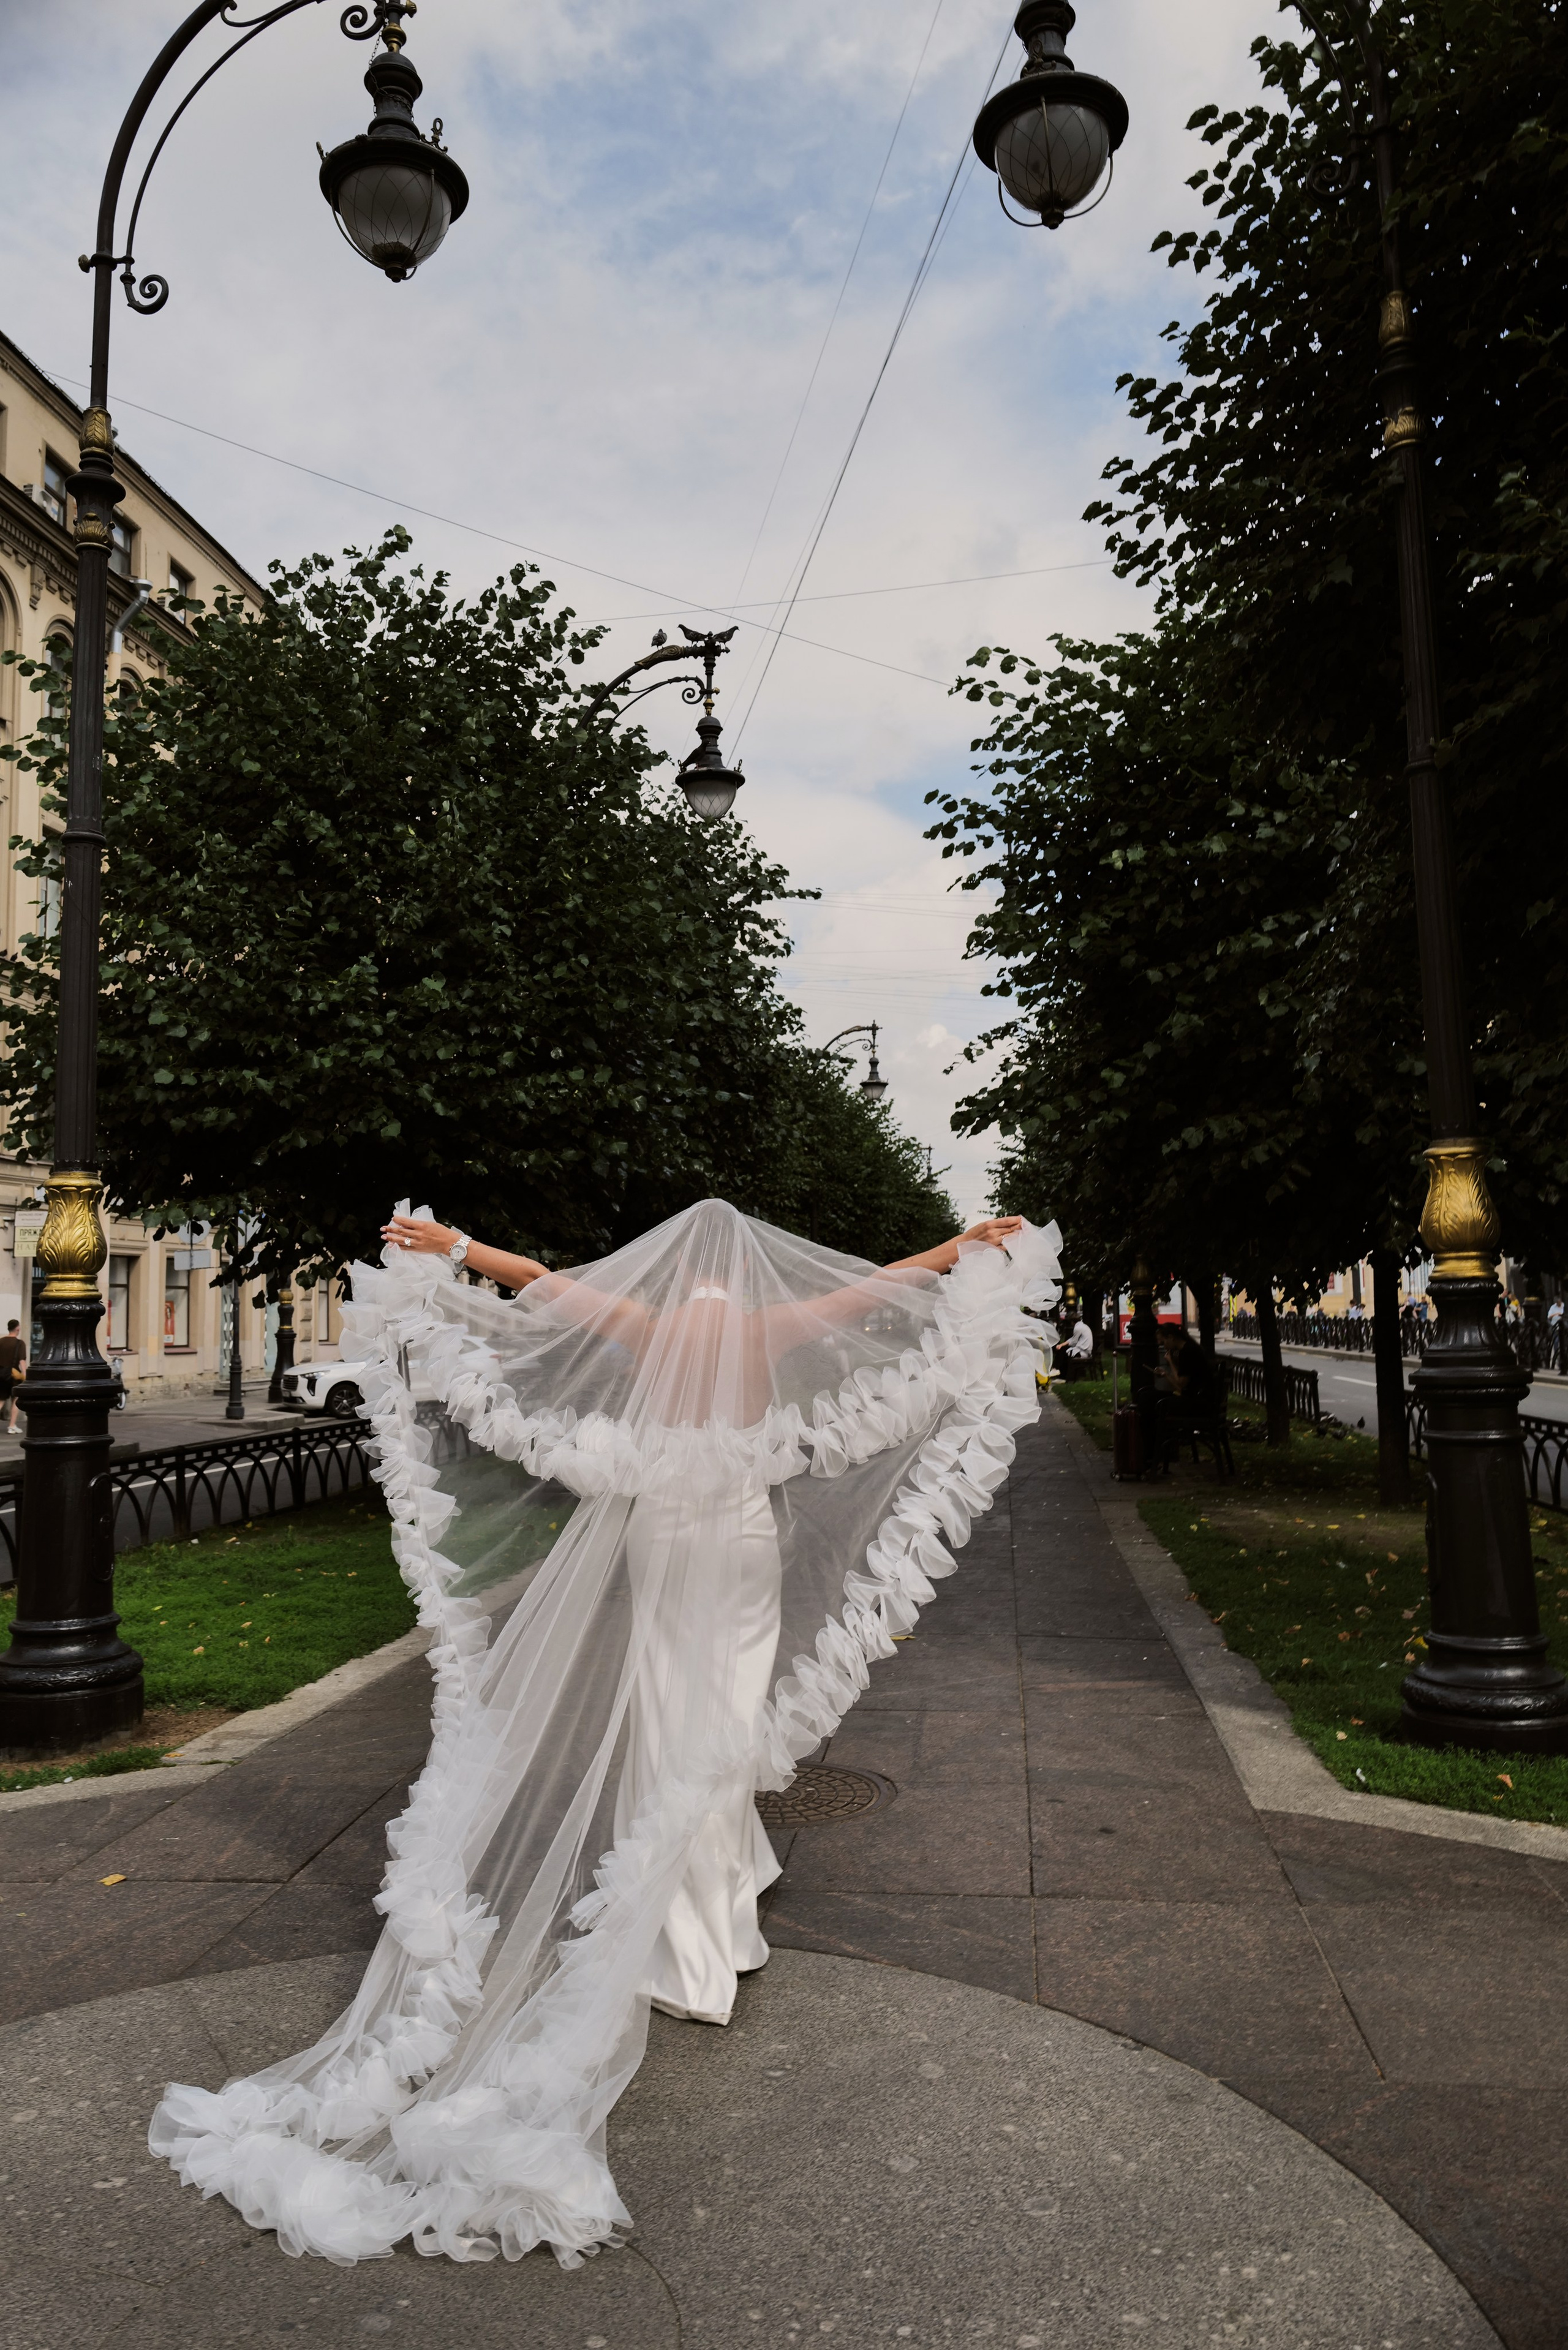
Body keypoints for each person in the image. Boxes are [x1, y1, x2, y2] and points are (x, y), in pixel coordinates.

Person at [151, 1197, 1060, 2267]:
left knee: (672, 1729)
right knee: (720, 1730)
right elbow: (886, 1286)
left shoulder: (652, 1326)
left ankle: (692, 1926)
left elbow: (537, 1279)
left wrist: (451, 1250)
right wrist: (960, 1251)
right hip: (737, 1542)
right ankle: (707, 1936)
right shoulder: (772, 1328)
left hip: (665, 1531)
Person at [0, 1318, 26, 1434]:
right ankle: (12, 1426)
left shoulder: (1, 1341)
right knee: (15, 1400)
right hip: (14, 1375)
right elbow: (22, 1361)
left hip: (1, 1374)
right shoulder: (20, 1343)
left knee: (1, 1400)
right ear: (17, 1328)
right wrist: (24, 1375)